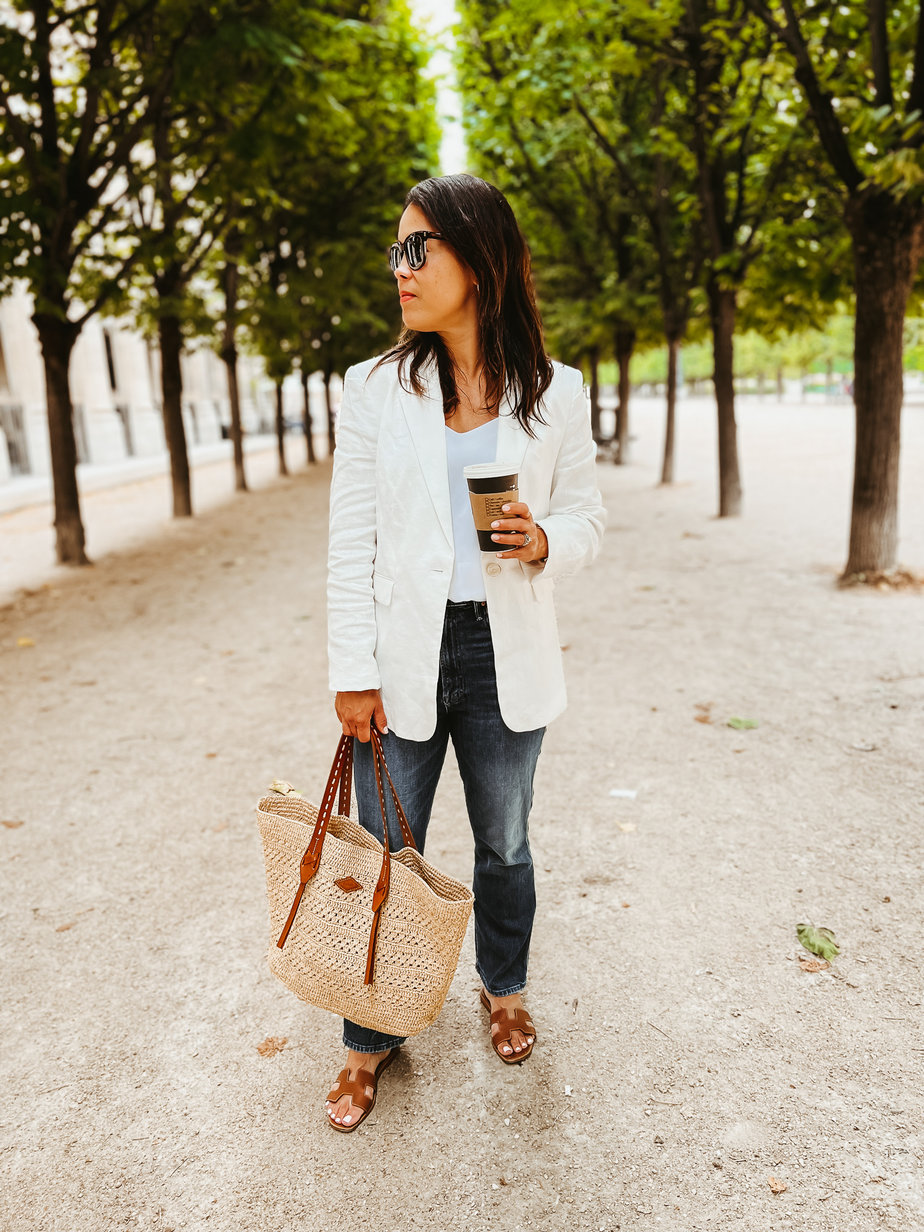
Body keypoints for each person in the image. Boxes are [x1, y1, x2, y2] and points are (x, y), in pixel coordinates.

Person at [324, 173, 605, 1131]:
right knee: (385, 852)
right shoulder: (372, 389)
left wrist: (547, 540)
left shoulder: (556, 392)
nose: (399, 268)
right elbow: (349, 542)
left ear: (478, 263)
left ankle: (506, 984)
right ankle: (370, 1036)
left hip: (503, 651)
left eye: (420, 249)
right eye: (396, 249)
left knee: (505, 841)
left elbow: (589, 518)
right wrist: (351, 672)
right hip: (404, 653)